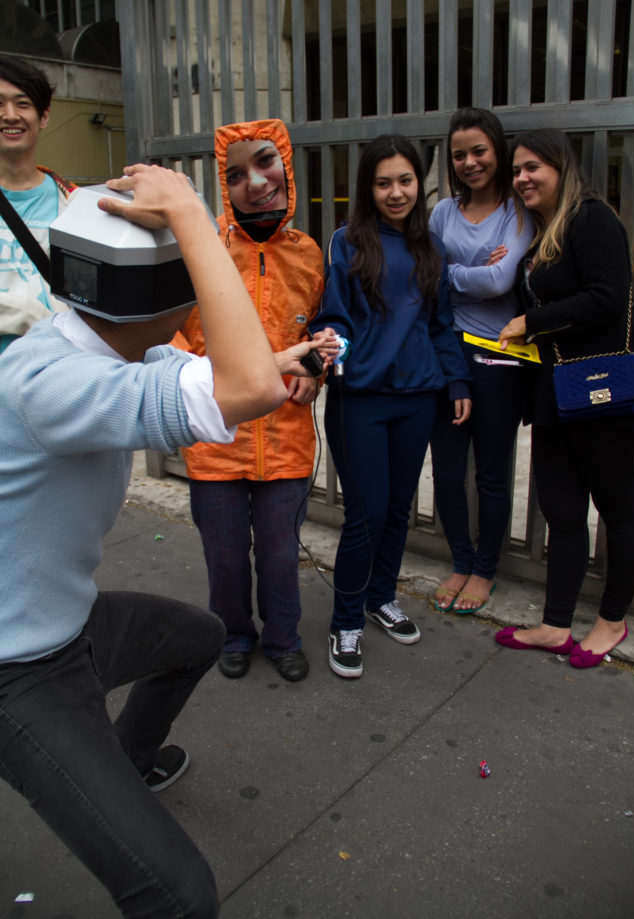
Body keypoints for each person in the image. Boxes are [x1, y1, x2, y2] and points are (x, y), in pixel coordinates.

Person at [0, 163, 334, 918]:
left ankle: (123, 763)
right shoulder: (53, 382)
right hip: (15, 670)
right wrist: (188, 212)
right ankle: (98, 781)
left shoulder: (112, 345)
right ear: (160, 291)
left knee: (199, 636)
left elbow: (228, 373)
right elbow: (245, 391)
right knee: (181, 897)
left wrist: (284, 358)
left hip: (68, 624)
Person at [311, 134, 472, 679]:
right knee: (367, 512)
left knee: (399, 507)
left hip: (418, 397)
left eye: (405, 181)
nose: (396, 192)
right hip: (360, 399)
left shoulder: (431, 247)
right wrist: (331, 343)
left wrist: (457, 382)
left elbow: (441, 324)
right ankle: (345, 621)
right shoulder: (346, 242)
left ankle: (380, 597)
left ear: (418, 184)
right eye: (384, 183)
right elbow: (333, 313)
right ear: (368, 187)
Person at [173, 118, 328, 683]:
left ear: (286, 165)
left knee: (281, 552)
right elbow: (171, 338)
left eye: (265, 162)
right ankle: (233, 634)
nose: (255, 182)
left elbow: (322, 331)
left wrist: (318, 371)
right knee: (224, 551)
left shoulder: (309, 254)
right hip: (214, 438)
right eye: (235, 174)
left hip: (286, 440)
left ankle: (283, 637)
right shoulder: (201, 250)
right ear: (222, 184)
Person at [497, 128, 634, 668]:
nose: (522, 178)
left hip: (605, 392)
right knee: (562, 512)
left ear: (562, 167)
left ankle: (611, 621)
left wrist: (530, 321)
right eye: (516, 171)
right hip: (556, 394)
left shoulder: (591, 218)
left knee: (618, 509)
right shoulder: (544, 234)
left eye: (533, 167)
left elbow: (607, 298)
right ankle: (555, 625)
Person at [429, 107, 534, 614]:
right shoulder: (442, 213)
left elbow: (500, 281)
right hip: (448, 353)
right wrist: (470, 268)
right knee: (448, 471)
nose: (469, 162)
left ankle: (485, 570)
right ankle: (460, 560)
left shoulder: (518, 212)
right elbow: (427, 279)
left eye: (479, 151)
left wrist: (452, 270)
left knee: (491, 473)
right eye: (459, 155)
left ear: (498, 150)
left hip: (500, 357)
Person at [0, 54, 74, 353]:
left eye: (22, 103)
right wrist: (27, 314)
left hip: (57, 369)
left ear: (43, 117)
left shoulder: (75, 204)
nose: (10, 115)